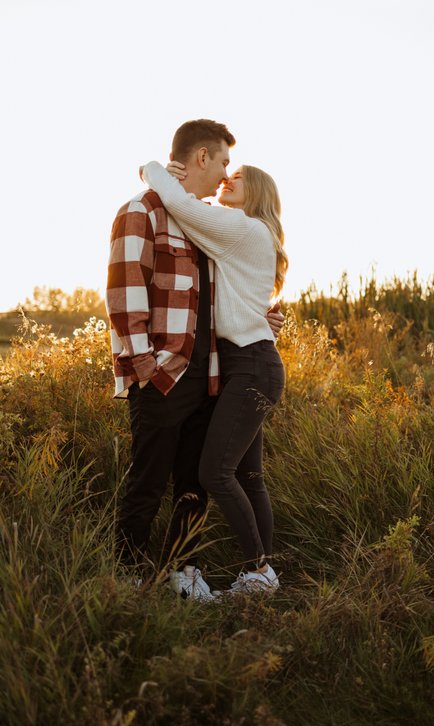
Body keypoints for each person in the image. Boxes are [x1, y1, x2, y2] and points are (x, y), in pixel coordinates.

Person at [107, 119, 283, 600]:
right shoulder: (141, 210)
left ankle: (184, 573)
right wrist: (144, 367)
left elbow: (224, 291)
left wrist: (263, 315)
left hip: (211, 376)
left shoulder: (205, 222)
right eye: (224, 161)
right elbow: (125, 294)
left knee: (195, 482)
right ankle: (130, 576)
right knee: (147, 482)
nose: (227, 173)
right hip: (162, 373)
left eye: (234, 168)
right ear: (201, 158)